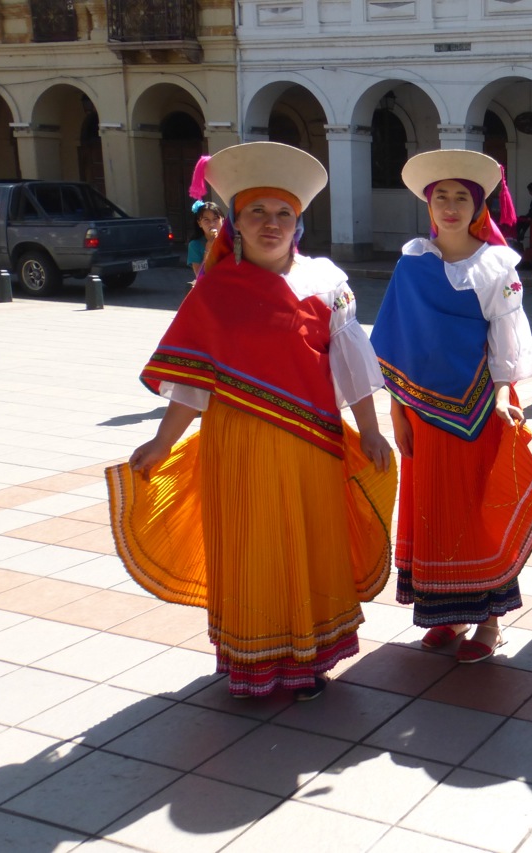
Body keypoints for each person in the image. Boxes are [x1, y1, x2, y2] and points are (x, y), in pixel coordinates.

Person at [107, 142, 396, 700]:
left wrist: (372, 429)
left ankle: (307, 659)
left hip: (311, 442)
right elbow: (193, 380)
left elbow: (351, 362)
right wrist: (163, 441)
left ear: (298, 223)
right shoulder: (214, 289)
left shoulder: (326, 283)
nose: (271, 223)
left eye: (283, 212)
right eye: (257, 211)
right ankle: (251, 658)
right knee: (248, 545)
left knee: (308, 544)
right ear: (234, 222)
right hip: (236, 441)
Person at [370, 149, 532, 664]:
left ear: (477, 206)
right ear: (429, 205)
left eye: (461, 198)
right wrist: (397, 413)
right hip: (421, 410)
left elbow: (507, 339)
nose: (450, 207)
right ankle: (448, 614)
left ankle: (491, 620)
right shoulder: (411, 265)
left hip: (483, 404)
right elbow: (395, 342)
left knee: (479, 506)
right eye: (441, 198)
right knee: (434, 506)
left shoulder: (497, 265)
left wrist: (501, 397)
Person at [186, 200, 223, 279]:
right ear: (199, 223)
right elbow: (199, 276)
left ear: (222, 220)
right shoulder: (194, 245)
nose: (211, 224)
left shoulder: (232, 240)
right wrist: (208, 250)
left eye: (215, 219)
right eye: (206, 220)